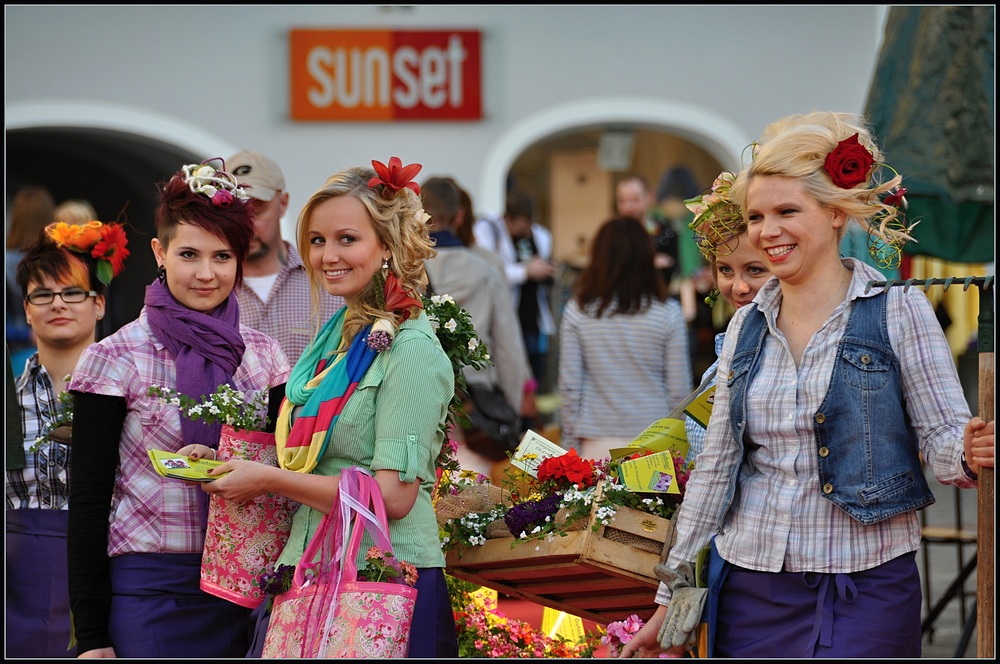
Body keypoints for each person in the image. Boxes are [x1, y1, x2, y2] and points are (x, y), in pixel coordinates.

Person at [619, 111, 995, 658]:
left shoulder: (898, 312)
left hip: (865, 586)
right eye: (756, 216)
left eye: (786, 211)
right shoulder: (746, 326)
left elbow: (941, 437)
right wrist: (668, 600)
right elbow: (717, 468)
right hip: (751, 589)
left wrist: (965, 448)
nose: (767, 232)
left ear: (837, 212)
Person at [201, 160, 459, 658]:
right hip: (311, 562)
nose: (327, 256)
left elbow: (393, 498)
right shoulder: (340, 334)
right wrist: (223, 460)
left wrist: (267, 479)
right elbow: (313, 454)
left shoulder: (410, 347)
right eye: (316, 240)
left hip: (381, 578)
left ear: (388, 245)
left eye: (346, 239)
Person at [66, 161, 290, 658]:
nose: (206, 273)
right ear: (159, 253)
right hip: (150, 587)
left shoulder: (266, 356)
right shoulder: (114, 357)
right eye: (189, 254)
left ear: (240, 259)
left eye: (222, 256)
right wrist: (92, 636)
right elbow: (87, 502)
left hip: (248, 586)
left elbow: (286, 471)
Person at [6, 233, 114, 658]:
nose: (58, 303)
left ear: (99, 303)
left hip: (108, 572)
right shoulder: (8, 400)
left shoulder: (132, 396)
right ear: (27, 311)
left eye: (72, 292)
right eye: (43, 295)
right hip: (17, 579)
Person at [421, 177, 533, 474]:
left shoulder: (403, 270)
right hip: (473, 402)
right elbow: (508, 345)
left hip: (416, 398)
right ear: (459, 216)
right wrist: (508, 410)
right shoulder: (486, 270)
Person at [558, 216, 692, 462]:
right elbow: (679, 392)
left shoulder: (578, 311)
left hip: (596, 443)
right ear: (647, 257)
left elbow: (570, 387)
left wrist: (570, 447)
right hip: (654, 443)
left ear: (597, 257)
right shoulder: (668, 313)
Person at [681, 172, 771, 461]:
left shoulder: (788, 353)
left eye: (755, 270)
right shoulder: (733, 342)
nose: (739, 287)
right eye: (725, 270)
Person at [227, 150, 344, 367]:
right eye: (235, 214)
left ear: (283, 203)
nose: (246, 226)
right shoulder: (209, 286)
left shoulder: (329, 278)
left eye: (257, 211)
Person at [474, 192, 556, 390]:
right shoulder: (488, 230)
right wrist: (525, 272)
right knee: (508, 374)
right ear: (507, 219)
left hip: (532, 318)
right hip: (504, 316)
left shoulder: (540, 235)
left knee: (533, 374)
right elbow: (489, 270)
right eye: (520, 225)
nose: (525, 231)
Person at [6, 184, 56, 372]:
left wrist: (27, 333)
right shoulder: (63, 261)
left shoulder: (6, 263)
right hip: (61, 349)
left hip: (18, 354)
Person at [616, 174, 679, 291]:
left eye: (635, 200)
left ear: (650, 198)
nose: (628, 207)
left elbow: (669, 272)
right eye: (622, 201)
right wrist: (649, 262)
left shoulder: (666, 233)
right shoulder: (612, 235)